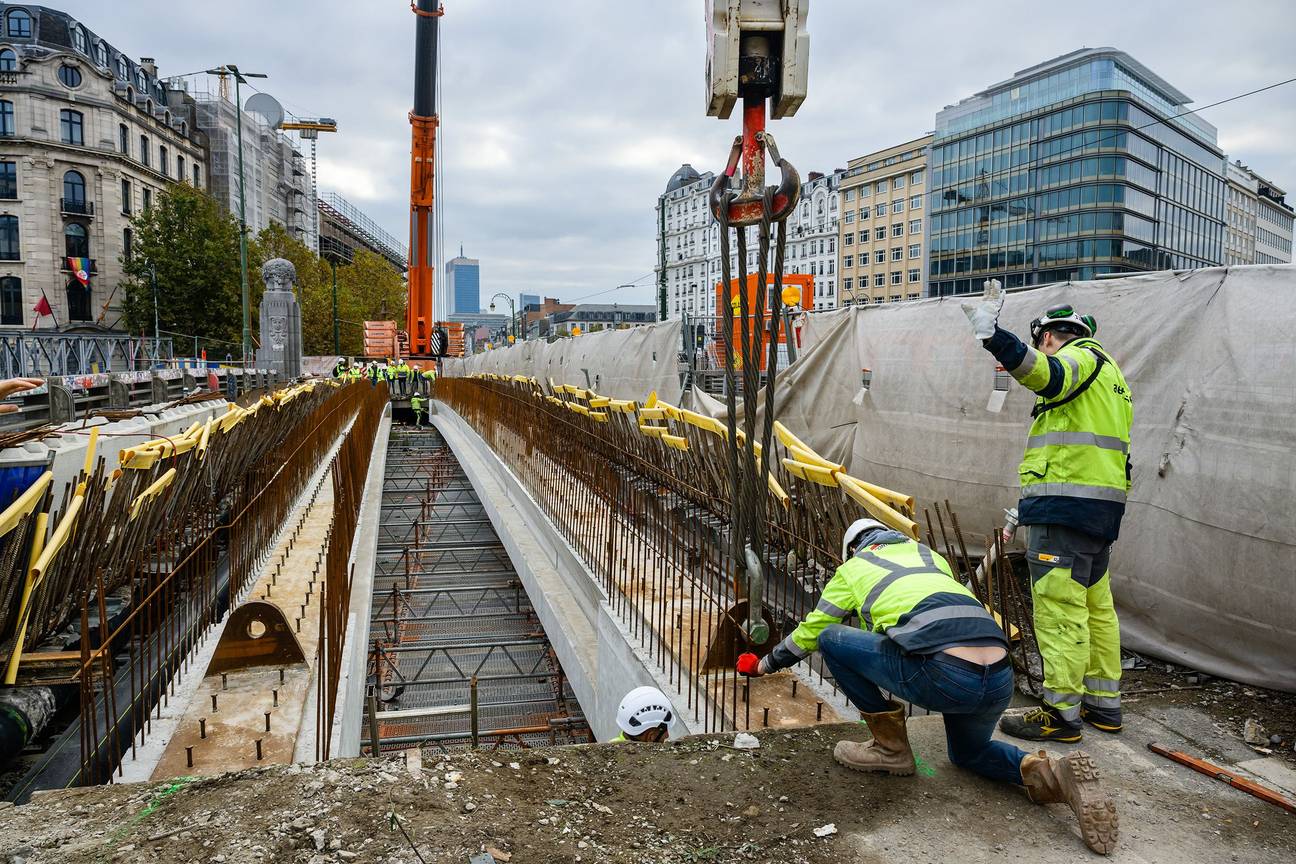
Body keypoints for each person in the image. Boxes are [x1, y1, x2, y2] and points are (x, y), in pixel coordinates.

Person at [739, 518, 1117, 855]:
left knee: (833, 639)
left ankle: (890, 749)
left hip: (947, 677)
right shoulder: (930, 558)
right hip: (1000, 677)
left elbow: (812, 632)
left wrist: (764, 664)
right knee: (969, 754)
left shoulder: (856, 567)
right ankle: (1050, 775)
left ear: (853, 549)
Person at [963, 280, 1132, 743]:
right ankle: (1103, 704)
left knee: (1059, 609)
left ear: (1050, 337)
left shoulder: (1078, 357)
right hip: (1098, 512)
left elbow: (1044, 374)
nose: (1043, 349)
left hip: (1065, 510)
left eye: (1043, 342)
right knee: (1096, 608)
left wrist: (993, 336)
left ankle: (1060, 713)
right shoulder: (1114, 377)